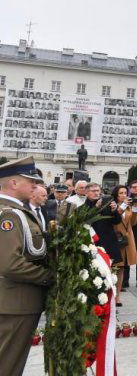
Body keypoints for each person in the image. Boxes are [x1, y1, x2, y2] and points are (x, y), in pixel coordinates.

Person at [0, 157, 52, 376]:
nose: (35, 185)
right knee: (8, 364)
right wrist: (50, 276)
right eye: (30, 180)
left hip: (16, 303)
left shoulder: (15, 210)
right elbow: (10, 264)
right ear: (13, 183)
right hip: (15, 304)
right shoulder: (9, 215)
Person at [111, 185, 137, 306]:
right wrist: (123, 205)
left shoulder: (128, 207)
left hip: (126, 239)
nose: (124, 195)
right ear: (116, 194)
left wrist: (136, 211)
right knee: (113, 267)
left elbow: (133, 223)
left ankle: (117, 297)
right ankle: (110, 295)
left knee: (121, 268)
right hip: (115, 238)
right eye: (121, 193)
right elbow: (116, 217)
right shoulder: (112, 205)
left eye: (125, 193)